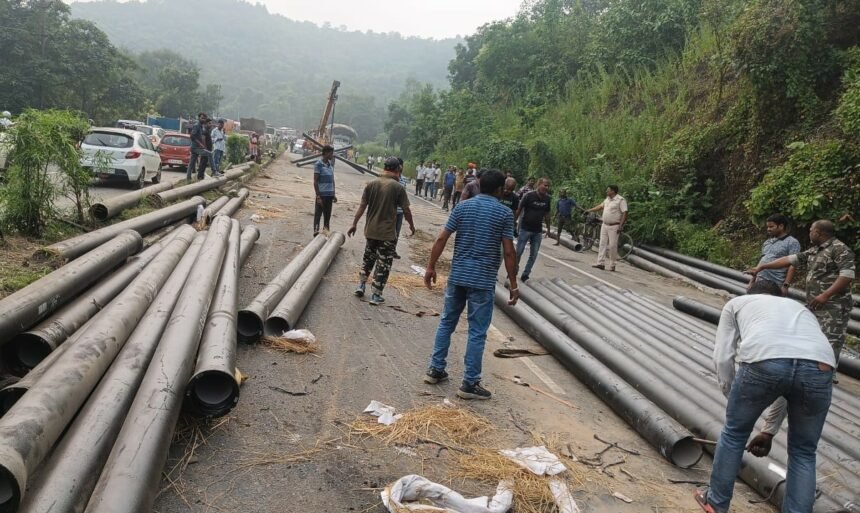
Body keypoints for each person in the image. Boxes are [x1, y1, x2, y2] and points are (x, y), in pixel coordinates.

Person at [694, 280, 835, 513]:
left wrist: (734, 397)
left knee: (734, 435)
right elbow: (792, 378)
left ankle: (716, 503)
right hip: (820, 368)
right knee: (804, 451)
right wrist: (769, 430)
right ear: (780, 294)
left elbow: (722, 357)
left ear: (750, 292)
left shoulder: (737, 303)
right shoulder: (800, 309)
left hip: (765, 361)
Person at [423, 169, 519, 400]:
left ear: (479, 184)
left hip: (458, 277)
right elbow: (508, 251)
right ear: (499, 190)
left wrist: (430, 267)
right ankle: (470, 383)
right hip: (482, 280)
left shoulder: (462, 207)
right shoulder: (504, 213)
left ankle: (436, 369)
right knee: (477, 332)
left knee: (447, 322)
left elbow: (441, 238)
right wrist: (513, 284)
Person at [748, 219, 855, 362]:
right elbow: (790, 259)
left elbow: (847, 275)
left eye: (811, 230)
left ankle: (828, 372)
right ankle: (811, 367)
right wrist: (763, 267)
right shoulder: (816, 250)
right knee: (811, 335)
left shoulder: (839, 249)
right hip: (815, 302)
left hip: (833, 305)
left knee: (830, 339)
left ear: (818, 232)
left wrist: (825, 295)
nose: (809, 233)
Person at [348, 156, 415, 305]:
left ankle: (361, 285)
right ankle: (376, 295)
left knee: (368, 259)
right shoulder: (397, 187)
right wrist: (411, 225)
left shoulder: (371, 184)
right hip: (387, 234)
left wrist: (354, 223)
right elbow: (406, 210)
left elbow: (362, 206)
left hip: (370, 231)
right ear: (398, 169)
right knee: (383, 264)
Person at [748, 214, 801, 293]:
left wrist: (785, 285)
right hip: (759, 282)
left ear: (781, 226)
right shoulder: (767, 242)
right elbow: (762, 261)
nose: (768, 229)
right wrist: (752, 281)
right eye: (768, 227)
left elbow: (792, 266)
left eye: (771, 227)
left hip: (775, 284)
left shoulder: (792, 242)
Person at [515, 178, 552, 282]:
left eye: (548, 186)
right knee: (518, 252)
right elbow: (519, 209)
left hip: (537, 230)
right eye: (545, 185)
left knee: (534, 254)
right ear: (539, 184)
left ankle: (526, 274)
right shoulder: (528, 196)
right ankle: (514, 271)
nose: (546, 188)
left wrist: (548, 229)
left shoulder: (547, 199)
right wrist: (513, 223)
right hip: (525, 228)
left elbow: (547, 214)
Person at [587, 185, 628, 271]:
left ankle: (612, 264)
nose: (606, 191)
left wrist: (621, 225)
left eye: (608, 190)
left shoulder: (620, 200)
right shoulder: (607, 199)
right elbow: (600, 207)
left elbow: (625, 212)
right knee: (602, 243)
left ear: (613, 191)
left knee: (612, 245)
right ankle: (600, 263)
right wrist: (590, 210)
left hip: (614, 226)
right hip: (605, 224)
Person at [313, 145, 337, 236]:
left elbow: (332, 180)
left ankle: (325, 233)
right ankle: (316, 231)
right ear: (326, 153)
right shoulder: (318, 164)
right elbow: (315, 181)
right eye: (331, 153)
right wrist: (318, 196)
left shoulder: (330, 165)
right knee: (318, 214)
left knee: (327, 216)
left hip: (329, 195)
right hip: (322, 195)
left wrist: (333, 194)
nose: (332, 155)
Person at [187, 113, 211, 181]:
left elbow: (201, 137)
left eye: (204, 118)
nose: (203, 119)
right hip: (195, 147)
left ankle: (188, 178)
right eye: (202, 118)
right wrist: (200, 144)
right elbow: (192, 136)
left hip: (197, 147)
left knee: (192, 163)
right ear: (199, 118)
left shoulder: (201, 126)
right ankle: (214, 171)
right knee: (209, 154)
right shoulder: (196, 126)